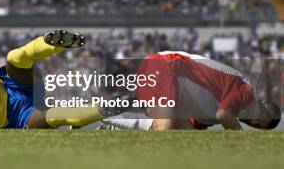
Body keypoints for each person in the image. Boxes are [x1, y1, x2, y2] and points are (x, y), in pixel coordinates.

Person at [99, 51, 281, 131]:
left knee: (181, 132)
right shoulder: (246, 90)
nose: (254, 121)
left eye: (257, 125)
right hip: (168, 67)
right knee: (166, 130)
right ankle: (112, 116)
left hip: (173, 83)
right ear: (261, 103)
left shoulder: (212, 113)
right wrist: (239, 142)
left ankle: (112, 121)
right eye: (260, 116)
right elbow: (224, 115)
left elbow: (193, 126)